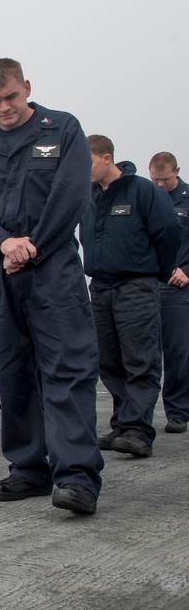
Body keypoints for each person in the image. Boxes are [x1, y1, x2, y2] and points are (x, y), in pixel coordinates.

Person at [0, 57, 103, 514]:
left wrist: (31, 247)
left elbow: (71, 194)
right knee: (13, 375)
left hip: (52, 271)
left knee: (66, 370)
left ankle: (76, 477)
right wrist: (4, 244)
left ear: (27, 89)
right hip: (1, 277)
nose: (5, 107)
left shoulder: (62, 130)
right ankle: (28, 469)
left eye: (12, 97)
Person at [83, 135, 180, 458]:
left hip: (136, 285)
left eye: (88, 162)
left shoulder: (143, 190)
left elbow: (168, 232)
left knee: (140, 359)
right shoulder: (89, 197)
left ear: (106, 158)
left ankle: (138, 430)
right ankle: (123, 424)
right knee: (109, 362)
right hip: (100, 287)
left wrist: (157, 272)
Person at [148, 151, 189, 434]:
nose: (160, 186)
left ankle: (178, 412)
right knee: (144, 352)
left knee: (177, 351)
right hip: (151, 283)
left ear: (177, 171)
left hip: (180, 285)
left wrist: (187, 270)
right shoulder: (148, 198)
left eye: (165, 180)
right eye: (155, 180)